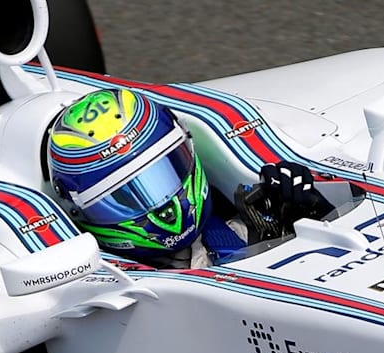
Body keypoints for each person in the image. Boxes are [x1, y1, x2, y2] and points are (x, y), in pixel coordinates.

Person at [46, 87, 330, 268]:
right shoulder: (96, 288)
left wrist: (312, 213)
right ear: (79, 210)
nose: (166, 209)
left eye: (163, 174)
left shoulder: (236, 231)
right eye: (123, 196)